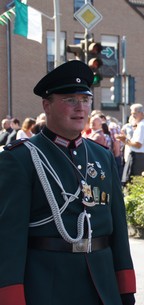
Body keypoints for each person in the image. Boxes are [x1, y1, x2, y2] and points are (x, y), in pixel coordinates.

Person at [0, 60, 136, 304]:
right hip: (48, 286)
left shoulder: (101, 155)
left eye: (85, 100)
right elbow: (9, 237)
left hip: (102, 285)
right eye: (70, 100)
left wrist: (125, 287)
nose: (80, 108)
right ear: (47, 105)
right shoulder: (21, 158)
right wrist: (10, 296)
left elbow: (118, 227)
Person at [116, 103, 144, 185]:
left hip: (138, 158)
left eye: (134, 113)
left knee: (133, 183)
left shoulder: (142, 126)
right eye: (132, 113)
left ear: (141, 113)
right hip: (141, 157)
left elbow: (137, 144)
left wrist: (124, 140)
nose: (132, 116)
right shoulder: (143, 125)